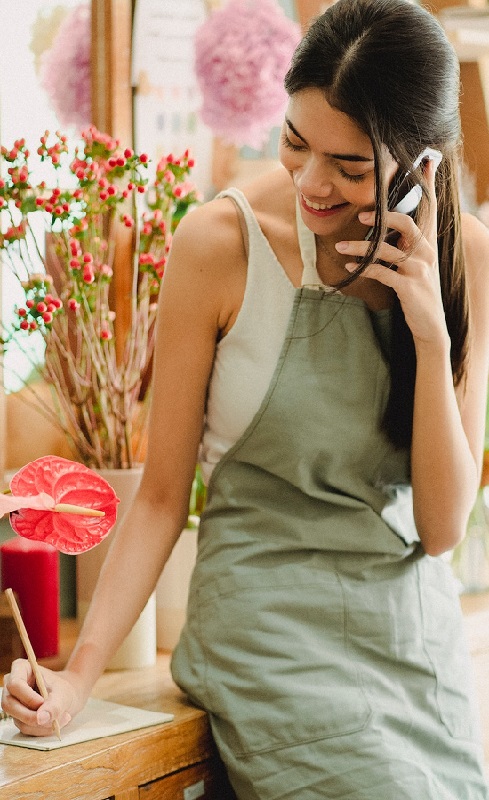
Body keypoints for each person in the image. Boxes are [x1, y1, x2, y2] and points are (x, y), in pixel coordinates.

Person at [3, 0, 489, 796]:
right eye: (295, 143)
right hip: (266, 639)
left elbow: (438, 529)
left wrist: (431, 334)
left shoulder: (459, 254)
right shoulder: (218, 246)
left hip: (409, 652)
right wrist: (77, 679)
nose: (311, 181)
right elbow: (161, 498)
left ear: (418, 167)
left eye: (352, 166)